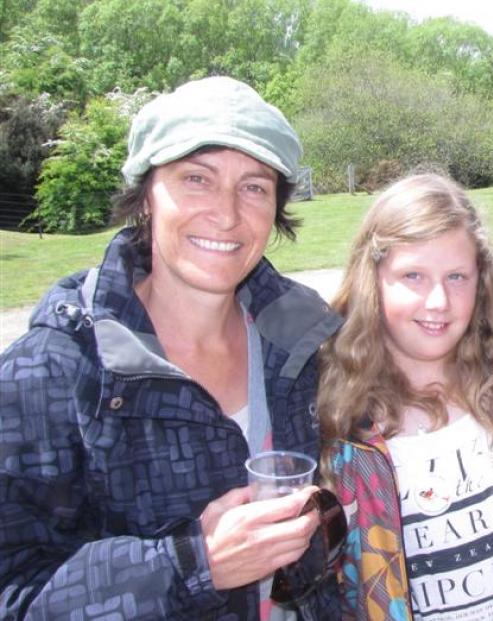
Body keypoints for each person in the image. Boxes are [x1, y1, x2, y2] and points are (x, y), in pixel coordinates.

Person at [0, 77, 343, 620]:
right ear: (146, 195)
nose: (227, 214)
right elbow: (14, 596)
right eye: (196, 179)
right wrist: (193, 563)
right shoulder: (51, 373)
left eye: (253, 187)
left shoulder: (302, 340)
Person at [314, 173, 493, 620]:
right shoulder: (334, 414)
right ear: (374, 279)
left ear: (481, 280)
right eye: (413, 276)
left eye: (456, 277)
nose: (438, 301)